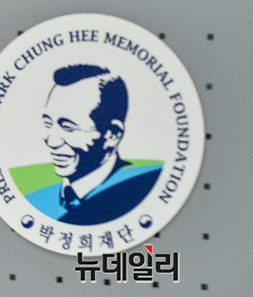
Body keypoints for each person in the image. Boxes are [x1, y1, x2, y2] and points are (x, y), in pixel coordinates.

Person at [22, 64, 163, 225]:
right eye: (48, 123)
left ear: (112, 135)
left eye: (68, 127)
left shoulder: (142, 189)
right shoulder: (35, 197)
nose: (51, 141)